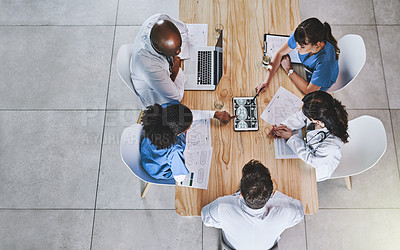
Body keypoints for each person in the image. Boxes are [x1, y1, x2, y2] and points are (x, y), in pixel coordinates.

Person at [201, 160, 304, 250]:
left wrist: (226, 222)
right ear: (270, 192)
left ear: (241, 193)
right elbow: (300, 212)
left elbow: (205, 217)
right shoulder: (286, 210)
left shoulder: (222, 208)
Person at [140, 101, 235, 182]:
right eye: (188, 127)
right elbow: (179, 178)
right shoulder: (175, 150)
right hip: (157, 170)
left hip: (146, 152)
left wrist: (214, 114)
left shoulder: (164, 110)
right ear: (179, 133)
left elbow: (185, 115)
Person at [270, 91, 349, 181]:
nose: (305, 115)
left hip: (316, 167)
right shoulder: (322, 110)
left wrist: (291, 138)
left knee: (283, 174)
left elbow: (312, 160)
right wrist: (285, 126)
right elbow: (300, 116)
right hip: (308, 150)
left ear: (317, 121)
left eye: (308, 117)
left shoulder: (331, 145)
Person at [256, 17, 340, 94]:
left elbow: (309, 90)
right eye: (296, 43)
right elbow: (280, 53)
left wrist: (289, 70)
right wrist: (266, 81)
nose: (297, 48)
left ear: (317, 45)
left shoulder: (325, 61)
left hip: (318, 83)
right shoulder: (301, 36)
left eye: (302, 46)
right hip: (309, 70)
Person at [130, 13, 188, 107]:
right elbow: (175, 98)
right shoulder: (149, 66)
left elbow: (183, 30)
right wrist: (175, 68)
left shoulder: (160, 19)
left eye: (179, 47)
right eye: (173, 51)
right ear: (157, 48)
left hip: (161, 75)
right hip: (154, 94)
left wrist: (177, 57)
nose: (179, 51)